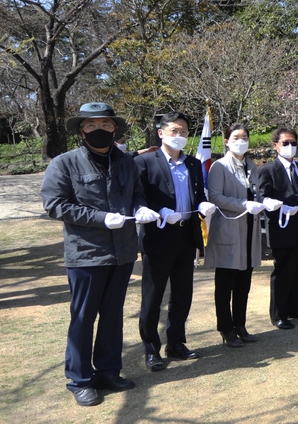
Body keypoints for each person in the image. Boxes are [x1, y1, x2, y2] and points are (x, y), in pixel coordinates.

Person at [40, 102, 160, 407]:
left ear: (115, 128)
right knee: (83, 318)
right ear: (81, 129)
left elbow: (137, 193)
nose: (99, 130)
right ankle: (79, 379)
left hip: (122, 252)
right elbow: (55, 204)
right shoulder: (64, 163)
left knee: (112, 316)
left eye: (106, 125)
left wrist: (140, 207)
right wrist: (99, 218)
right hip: (86, 254)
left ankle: (108, 371)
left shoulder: (126, 162)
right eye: (91, 125)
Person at [134, 112, 205, 371]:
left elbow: (197, 194)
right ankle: (151, 349)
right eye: (174, 131)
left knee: (183, 293)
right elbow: (137, 197)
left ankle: (176, 342)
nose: (180, 136)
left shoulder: (194, 164)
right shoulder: (145, 162)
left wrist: (202, 203)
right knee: (153, 297)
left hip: (187, 236)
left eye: (184, 131)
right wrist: (160, 210)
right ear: (161, 133)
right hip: (159, 236)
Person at [204, 123, 272, 347]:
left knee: (244, 283)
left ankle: (240, 324)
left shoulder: (252, 166)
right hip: (229, 229)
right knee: (225, 284)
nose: (241, 140)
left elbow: (256, 194)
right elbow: (215, 196)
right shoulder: (220, 167)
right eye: (236, 137)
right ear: (226, 141)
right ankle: (226, 327)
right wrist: (243, 204)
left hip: (249, 231)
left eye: (244, 137)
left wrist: (265, 202)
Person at [256, 126, 298, 329]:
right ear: (276, 146)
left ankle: (295, 307)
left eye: (293, 143)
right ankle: (279, 314)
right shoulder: (268, 169)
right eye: (285, 143)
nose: (290, 147)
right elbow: (261, 197)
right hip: (283, 226)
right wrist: (274, 205)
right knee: (284, 271)